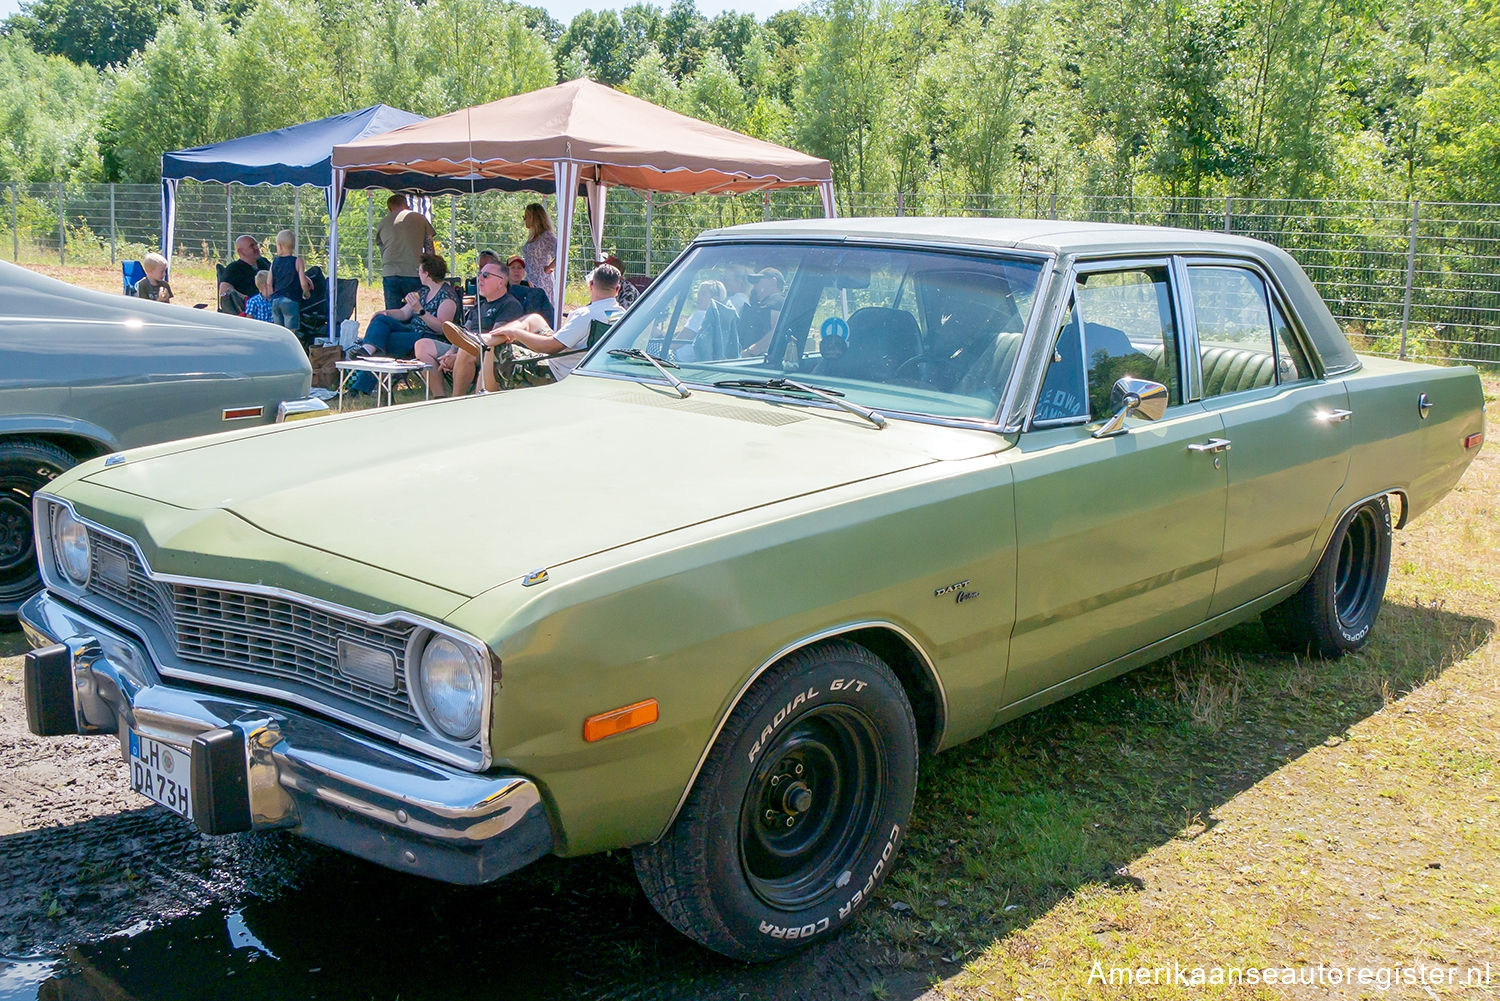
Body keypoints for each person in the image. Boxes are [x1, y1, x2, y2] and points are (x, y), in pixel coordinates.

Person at [481, 263, 622, 384]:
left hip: (558, 371)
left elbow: (549, 347)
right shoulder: (621, 316)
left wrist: (516, 333)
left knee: (493, 349)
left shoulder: (585, 315)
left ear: (591, 285)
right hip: (589, 366)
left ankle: (485, 399)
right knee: (534, 319)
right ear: (617, 289)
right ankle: (493, 336)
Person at [346, 254, 460, 395]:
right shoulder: (424, 291)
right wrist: (385, 312)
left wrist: (420, 310)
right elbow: (404, 313)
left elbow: (442, 329)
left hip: (428, 337)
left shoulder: (447, 296)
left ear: (427, 273)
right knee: (381, 320)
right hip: (411, 331)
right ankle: (367, 350)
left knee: (382, 342)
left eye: (419, 270)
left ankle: (359, 386)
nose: (418, 273)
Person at [420, 261, 527, 398]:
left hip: (490, 352)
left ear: (501, 282)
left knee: (465, 351)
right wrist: (450, 352)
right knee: (422, 344)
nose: (479, 279)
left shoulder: (510, 305)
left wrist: (457, 355)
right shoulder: (480, 305)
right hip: (467, 347)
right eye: (479, 274)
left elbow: (495, 339)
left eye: (486, 275)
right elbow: (464, 331)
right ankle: (439, 396)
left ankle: (456, 400)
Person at [376, 193, 435, 310]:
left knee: (394, 313)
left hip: (390, 273)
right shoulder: (420, 218)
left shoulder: (383, 222)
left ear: (389, 209)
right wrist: (431, 271)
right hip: (413, 272)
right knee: (415, 311)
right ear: (407, 205)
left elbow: (382, 250)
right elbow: (429, 248)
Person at [269, 229, 314, 332]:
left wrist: (271, 296)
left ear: (279, 245)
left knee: (279, 331)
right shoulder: (297, 261)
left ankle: (279, 347)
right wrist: (306, 293)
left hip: (276, 300)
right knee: (291, 331)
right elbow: (303, 283)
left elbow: (268, 282)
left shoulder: (274, 262)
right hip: (290, 300)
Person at [740, 268, 786, 356]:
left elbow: (777, 331)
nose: (755, 286)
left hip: (759, 360)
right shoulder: (770, 302)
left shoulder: (776, 301)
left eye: (758, 281)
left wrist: (750, 351)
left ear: (773, 282)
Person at [218, 235, 270, 313]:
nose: (256, 248)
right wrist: (245, 299)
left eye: (256, 244)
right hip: (250, 310)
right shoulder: (233, 268)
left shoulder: (264, 262)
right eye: (252, 246)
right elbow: (224, 290)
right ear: (241, 251)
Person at [520, 202, 557, 306]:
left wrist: (549, 267)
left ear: (534, 218)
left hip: (542, 281)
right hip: (529, 280)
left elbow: (561, 254)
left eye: (526, 216)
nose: (524, 220)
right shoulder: (533, 236)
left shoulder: (546, 236)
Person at [505, 254, 554, 319]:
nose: (516, 271)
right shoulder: (501, 288)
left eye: (519, 268)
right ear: (506, 271)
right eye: (512, 267)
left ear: (524, 271)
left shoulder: (531, 288)